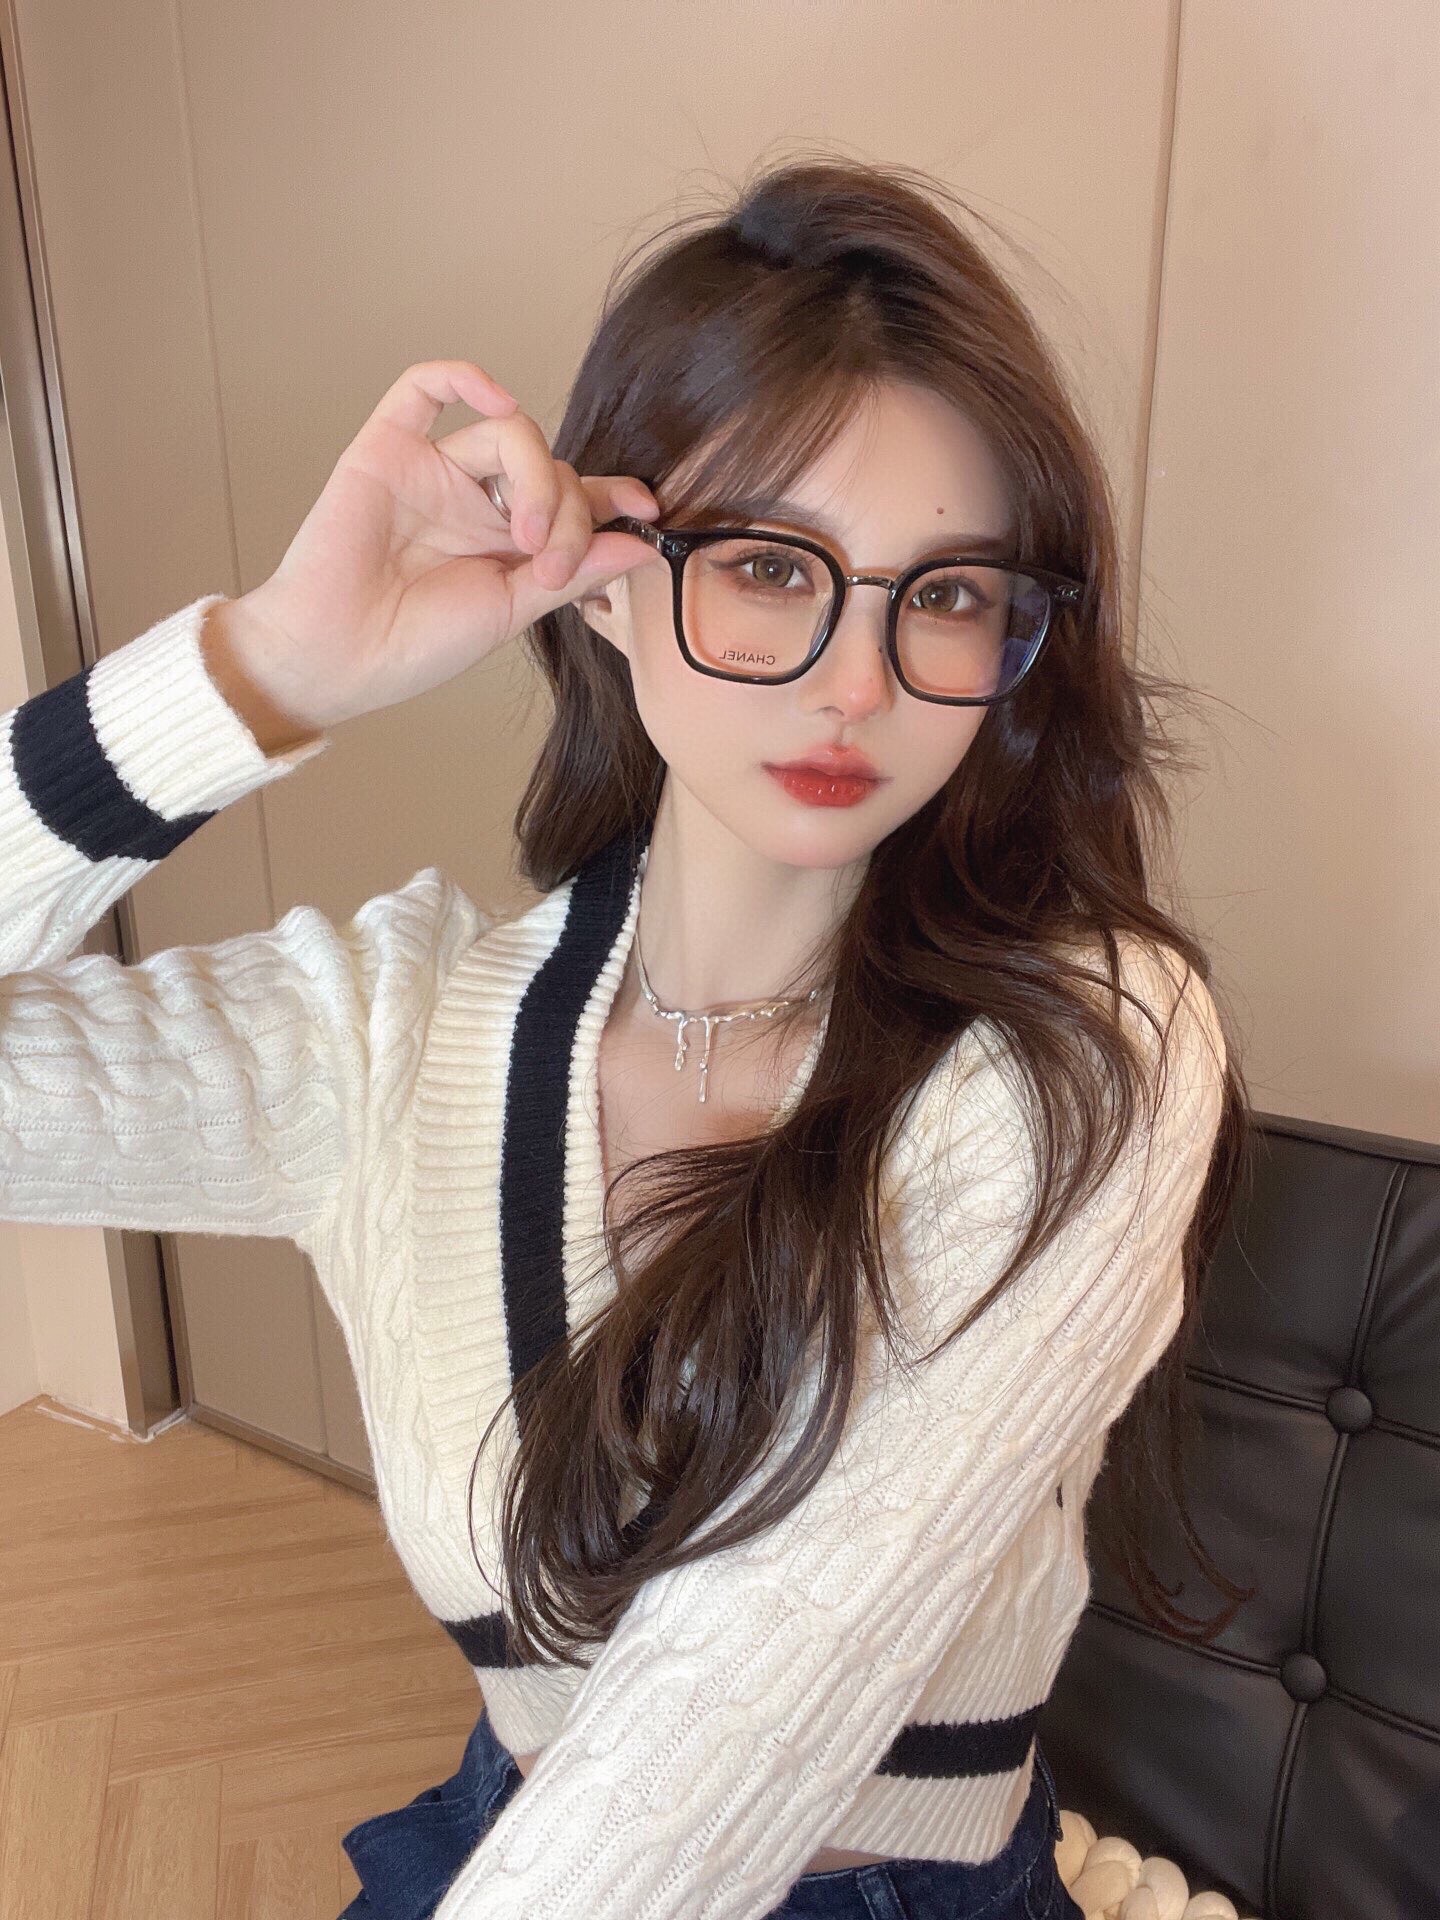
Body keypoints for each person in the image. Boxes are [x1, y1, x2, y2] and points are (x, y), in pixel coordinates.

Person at [0, 158, 1251, 1920]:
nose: (857, 683)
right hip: (507, 1845)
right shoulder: (383, 1040)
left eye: (950, 595)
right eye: (770, 566)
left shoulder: (1086, 1048)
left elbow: (748, 1700)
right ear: (601, 580)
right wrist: (262, 673)